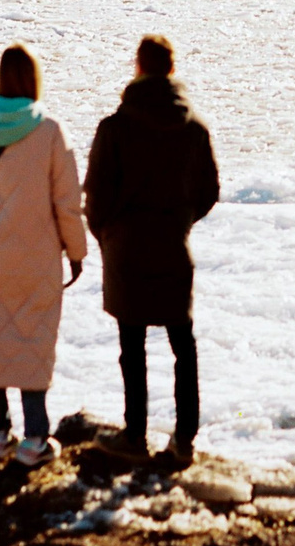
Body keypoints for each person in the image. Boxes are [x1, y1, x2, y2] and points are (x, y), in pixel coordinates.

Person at [0, 43, 87, 466]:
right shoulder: (49, 132)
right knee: (31, 343)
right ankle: (35, 440)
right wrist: (76, 252)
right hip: (36, 257)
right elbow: (67, 202)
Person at [83, 33, 219, 465]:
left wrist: (108, 234)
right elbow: (209, 191)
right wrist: (179, 221)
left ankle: (135, 436)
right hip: (173, 247)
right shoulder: (194, 128)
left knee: (132, 345)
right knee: (183, 344)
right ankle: (184, 440)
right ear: (172, 70)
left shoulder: (115, 127)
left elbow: (95, 197)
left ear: (137, 67)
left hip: (125, 249)